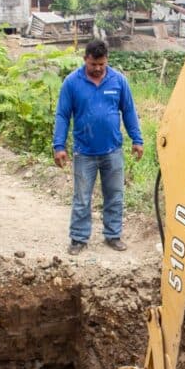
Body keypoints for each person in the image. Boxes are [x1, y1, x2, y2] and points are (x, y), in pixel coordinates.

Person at [52, 39, 143, 255]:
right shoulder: (72, 83)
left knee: (115, 195)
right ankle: (78, 238)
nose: (98, 68)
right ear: (85, 59)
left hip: (113, 151)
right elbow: (63, 115)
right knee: (82, 198)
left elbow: (129, 111)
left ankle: (113, 235)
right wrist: (59, 145)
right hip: (84, 152)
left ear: (107, 60)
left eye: (102, 64)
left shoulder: (118, 81)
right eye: (93, 64)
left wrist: (137, 140)